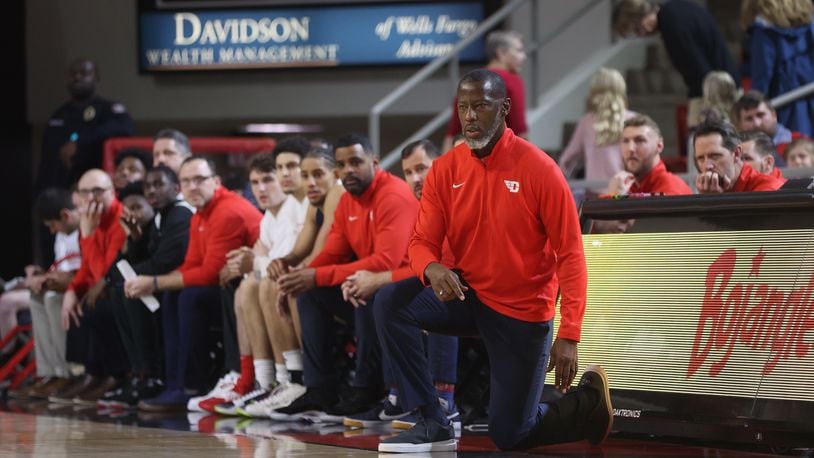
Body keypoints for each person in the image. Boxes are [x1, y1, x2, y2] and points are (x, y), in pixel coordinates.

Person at [377, 69, 612, 453]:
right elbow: (421, 242)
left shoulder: (541, 170)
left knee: (510, 435)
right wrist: (431, 268)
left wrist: (569, 333)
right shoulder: (445, 169)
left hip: (522, 311)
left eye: (480, 107)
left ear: (503, 109)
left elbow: (571, 254)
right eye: (464, 108)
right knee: (391, 303)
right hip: (469, 295)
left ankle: (587, 405)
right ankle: (432, 420)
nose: (470, 117)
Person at [273, 133, 419, 423]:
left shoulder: (394, 195)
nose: (348, 170)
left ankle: (367, 389)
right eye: (342, 165)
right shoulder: (348, 202)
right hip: (372, 284)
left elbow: (385, 261)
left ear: (374, 162)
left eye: (356, 162)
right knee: (311, 293)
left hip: (407, 288)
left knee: (365, 291)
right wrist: (301, 278)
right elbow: (332, 251)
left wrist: (316, 275)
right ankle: (320, 388)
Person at [124, 157, 262, 411]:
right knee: (173, 295)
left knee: (189, 296)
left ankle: (192, 385)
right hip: (232, 287)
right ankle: (174, 384)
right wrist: (159, 284)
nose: (192, 186)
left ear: (216, 181)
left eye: (199, 180)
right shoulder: (200, 214)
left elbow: (210, 273)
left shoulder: (226, 211)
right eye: (186, 181)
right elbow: (191, 264)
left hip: (251, 286)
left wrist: (154, 282)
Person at [341, 139, 461, 430]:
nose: (416, 178)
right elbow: (414, 265)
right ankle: (398, 397)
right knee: (382, 299)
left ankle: (445, 400)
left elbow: (446, 266)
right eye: (408, 172)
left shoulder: (455, 201)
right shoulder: (423, 208)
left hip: (470, 289)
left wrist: (377, 279)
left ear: (440, 166)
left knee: (435, 292)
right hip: (439, 283)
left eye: (422, 168)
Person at [104, 166, 193, 409]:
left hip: (181, 283)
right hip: (165, 283)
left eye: (158, 184)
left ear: (176, 188)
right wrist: (133, 239)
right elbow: (138, 258)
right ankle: (140, 372)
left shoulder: (180, 215)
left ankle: (152, 375)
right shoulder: (161, 216)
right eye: (148, 186)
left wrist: (124, 277)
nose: (152, 190)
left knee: (129, 291)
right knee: (119, 290)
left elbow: (164, 262)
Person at [53, 169, 128, 405]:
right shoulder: (92, 220)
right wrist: (72, 290)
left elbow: (103, 274)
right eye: (85, 192)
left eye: (98, 191)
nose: (91, 197)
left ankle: (114, 375)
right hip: (107, 287)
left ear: (112, 192)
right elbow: (86, 270)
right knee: (76, 302)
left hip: (124, 289)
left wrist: (87, 235)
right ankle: (89, 373)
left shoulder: (120, 219)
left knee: (96, 304)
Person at [612, 0, 739, 126]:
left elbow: (697, 69)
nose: (641, 35)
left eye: (637, 30)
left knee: (698, 137)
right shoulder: (677, 8)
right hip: (724, 83)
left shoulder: (672, 26)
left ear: (642, 20)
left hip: (718, 91)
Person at [6, 188, 81, 399]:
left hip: (84, 288)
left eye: (52, 225)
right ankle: (51, 373)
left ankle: (68, 372)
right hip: (67, 286)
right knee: (37, 297)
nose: (51, 230)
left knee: (52, 298)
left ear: (65, 215)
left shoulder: (86, 229)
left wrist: (54, 280)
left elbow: (89, 270)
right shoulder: (62, 234)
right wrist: (42, 275)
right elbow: (61, 269)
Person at [36, 59, 135, 190]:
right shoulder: (59, 115)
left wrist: (81, 143)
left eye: (84, 73)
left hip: (98, 185)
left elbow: (126, 129)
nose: (77, 77)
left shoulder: (109, 110)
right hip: (63, 188)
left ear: (96, 77)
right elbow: (47, 161)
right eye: (73, 74)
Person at [442, 30, 527, 152]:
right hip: (503, 155)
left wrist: (444, 166)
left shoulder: (470, 80)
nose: (523, 56)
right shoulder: (512, 81)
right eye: (519, 50)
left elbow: (453, 131)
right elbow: (520, 129)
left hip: (470, 156)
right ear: (501, 52)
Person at [743, 0, 814, 137]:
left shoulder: (764, 32)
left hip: (784, 109)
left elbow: (762, 79)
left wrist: (753, 107)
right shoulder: (810, 23)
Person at [558, 67, 636, 190]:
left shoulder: (586, 122)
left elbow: (566, 160)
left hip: (594, 193)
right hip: (625, 191)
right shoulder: (634, 120)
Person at [608, 115, 693, 195]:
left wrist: (614, 199)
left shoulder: (672, 189)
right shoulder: (627, 189)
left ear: (659, 146)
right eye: (625, 141)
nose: (630, 148)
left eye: (640, 140)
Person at [694, 119, 785, 193]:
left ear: (737, 154)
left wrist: (715, 201)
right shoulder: (708, 191)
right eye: (701, 158)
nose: (707, 165)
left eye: (715, 156)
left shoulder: (767, 188)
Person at [733, 90, 803, 161]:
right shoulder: (734, 154)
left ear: (774, 115)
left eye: (760, 115)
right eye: (749, 119)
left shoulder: (801, 143)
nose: (757, 123)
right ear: (740, 124)